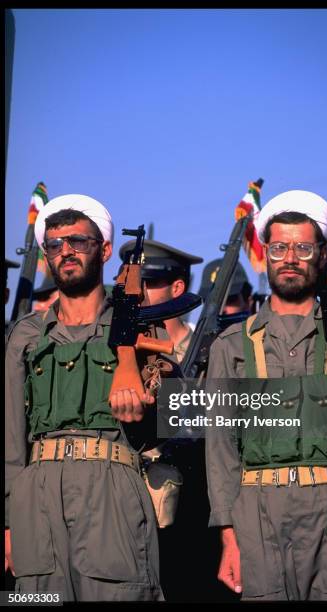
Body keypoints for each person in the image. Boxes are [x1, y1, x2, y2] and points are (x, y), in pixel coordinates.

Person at [205, 189, 327, 601]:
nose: (289, 258)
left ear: (323, 255)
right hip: (257, 507)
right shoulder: (231, 346)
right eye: (279, 247)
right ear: (264, 253)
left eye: (303, 248)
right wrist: (228, 538)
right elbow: (219, 449)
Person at [5, 194, 163, 602]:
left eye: (78, 241)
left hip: (112, 488)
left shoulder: (140, 324)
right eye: (55, 245)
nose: (66, 252)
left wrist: (146, 387)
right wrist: (7, 521)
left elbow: (174, 420)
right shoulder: (25, 334)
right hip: (36, 497)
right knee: (34, 597)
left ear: (105, 250)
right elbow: (9, 438)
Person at [119, 238, 203, 363]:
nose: (136, 290)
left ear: (177, 288)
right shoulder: (121, 346)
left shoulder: (207, 351)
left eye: (146, 282)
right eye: (129, 283)